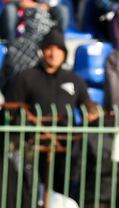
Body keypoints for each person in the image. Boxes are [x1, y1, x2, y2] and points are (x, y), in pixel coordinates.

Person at [5, 28, 95, 197]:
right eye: (49, 49)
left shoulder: (74, 80)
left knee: (61, 196)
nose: (54, 54)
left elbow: (88, 109)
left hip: (65, 151)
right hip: (31, 150)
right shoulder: (26, 77)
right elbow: (12, 110)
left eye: (59, 49)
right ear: (42, 51)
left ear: (64, 53)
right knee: (30, 195)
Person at [0, 6, 54, 97]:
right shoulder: (53, 47)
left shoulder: (15, 46)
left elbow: (2, 79)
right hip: (38, 99)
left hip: (14, 98)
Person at [0, 0, 69, 43]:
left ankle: (56, 44)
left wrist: (36, 5)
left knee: (62, 10)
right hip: (9, 16)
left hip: (36, 13)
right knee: (10, 9)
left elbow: (45, 5)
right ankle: (12, 49)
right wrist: (20, 3)